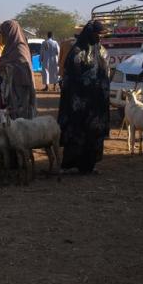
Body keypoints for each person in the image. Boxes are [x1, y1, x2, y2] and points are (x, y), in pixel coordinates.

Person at [57, 20, 110, 174]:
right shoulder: (77, 51)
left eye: (101, 35)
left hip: (97, 104)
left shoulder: (102, 51)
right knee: (77, 132)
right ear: (89, 34)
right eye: (97, 35)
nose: (99, 38)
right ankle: (71, 164)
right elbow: (70, 77)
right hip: (79, 103)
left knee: (94, 133)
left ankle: (89, 165)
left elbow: (106, 75)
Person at [0, 20, 37, 119]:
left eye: (4, 33)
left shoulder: (20, 48)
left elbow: (23, 68)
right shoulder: (10, 48)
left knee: (20, 116)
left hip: (21, 88)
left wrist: (4, 66)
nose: (2, 36)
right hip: (11, 89)